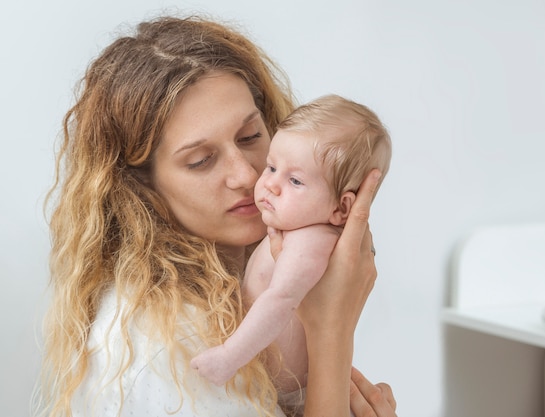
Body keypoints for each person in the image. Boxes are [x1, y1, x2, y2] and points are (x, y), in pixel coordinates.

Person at [36, 15, 397, 417]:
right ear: (141, 188)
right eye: (202, 160)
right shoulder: (159, 344)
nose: (249, 175)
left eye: (250, 137)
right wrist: (332, 335)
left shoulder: (253, 274)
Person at [190, 94, 392, 404]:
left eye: (295, 180)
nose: (269, 184)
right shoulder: (291, 227)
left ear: (342, 208)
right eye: (271, 167)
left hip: (292, 396)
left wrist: (229, 357)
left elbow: (280, 300)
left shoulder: (311, 241)